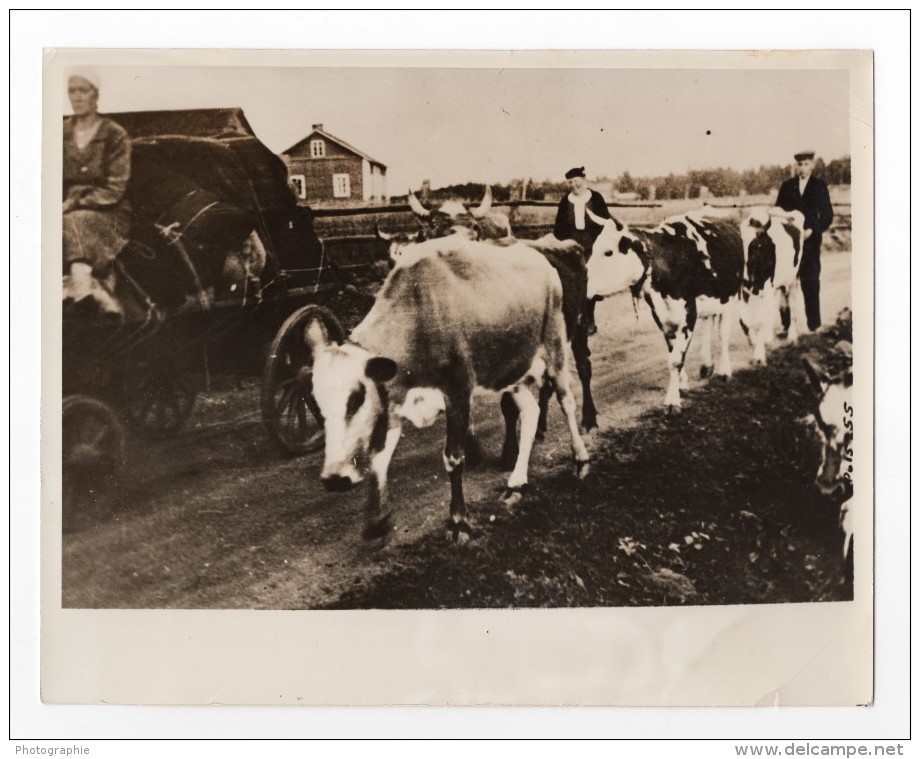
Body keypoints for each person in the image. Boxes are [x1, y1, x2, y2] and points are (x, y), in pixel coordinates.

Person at [62, 67, 131, 315]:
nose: (77, 96)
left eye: (84, 90)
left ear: (96, 94)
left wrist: (76, 201)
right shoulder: (61, 133)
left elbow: (115, 188)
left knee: (72, 220)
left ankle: (82, 288)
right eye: (72, 90)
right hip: (65, 206)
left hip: (109, 210)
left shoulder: (114, 135)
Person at [774, 150, 834, 331]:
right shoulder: (787, 186)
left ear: (813, 165)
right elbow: (778, 212)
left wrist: (812, 231)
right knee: (784, 283)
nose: (802, 168)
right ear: (795, 166)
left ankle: (813, 325)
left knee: (810, 283)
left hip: (809, 242)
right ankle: (786, 325)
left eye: (806, 164)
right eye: (799, 164)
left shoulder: (819, 186)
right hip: (788, 246)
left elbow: (827, 215)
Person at [553, 167, 612, 334]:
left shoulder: (596, 198)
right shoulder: (566, 200)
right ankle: (574, 320)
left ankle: (589, 320)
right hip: (571, 245)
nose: (574, 185)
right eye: (570, 182)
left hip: (592, 245)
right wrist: (563, 244)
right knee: (571, 282)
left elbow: (605, 223)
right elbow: (559, 227)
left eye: (576, 181)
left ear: (584, 180)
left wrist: (600, 244)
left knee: (588, 282)